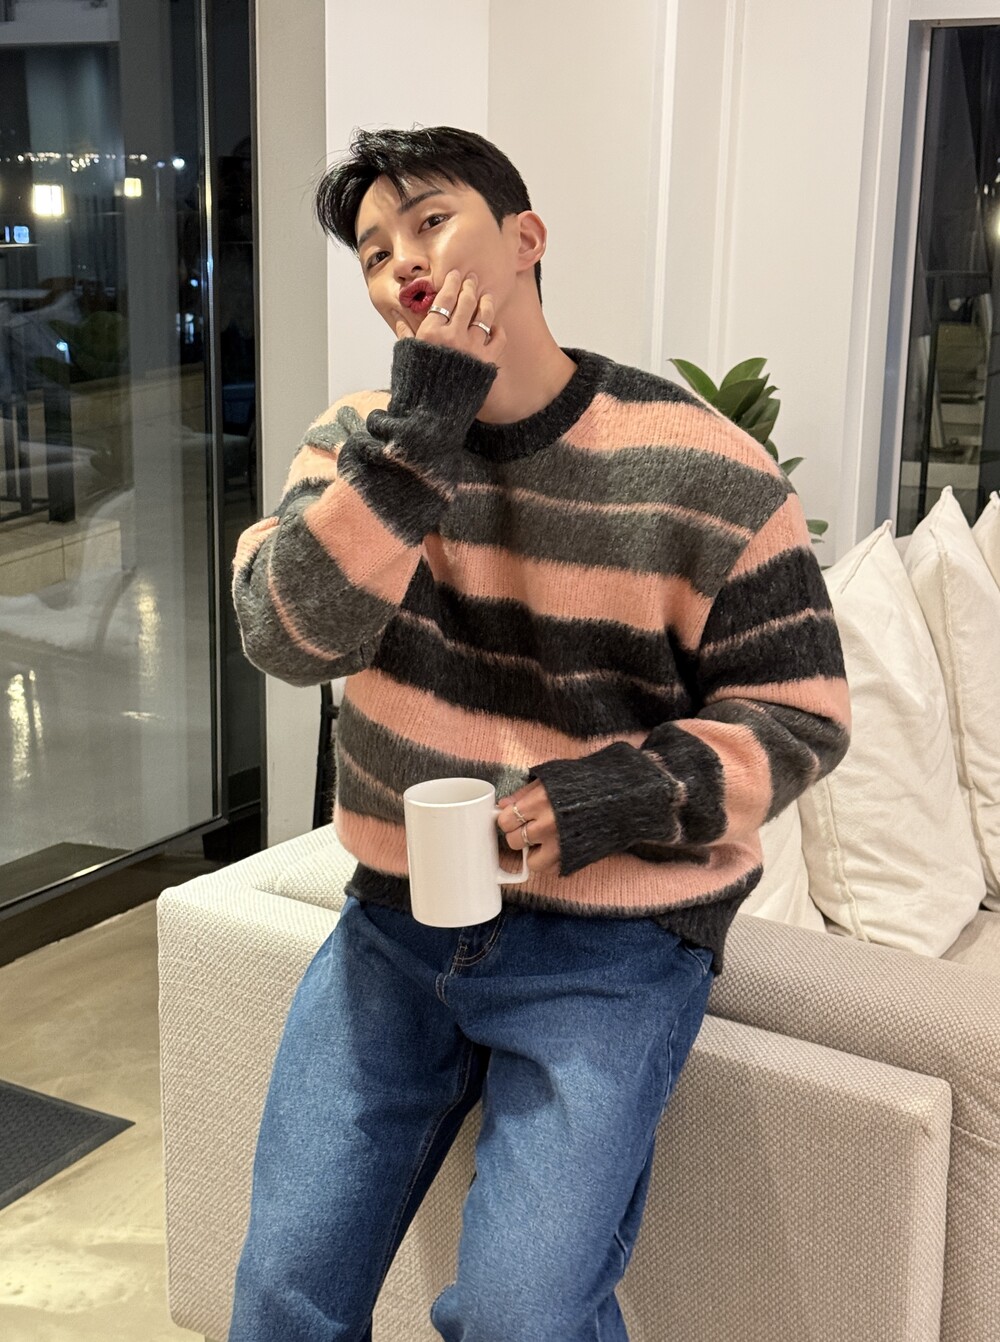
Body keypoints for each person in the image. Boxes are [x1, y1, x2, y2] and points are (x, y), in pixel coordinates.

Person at [228, 125, 851, 1342]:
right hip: (395, 926)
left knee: (521, 1315)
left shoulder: (702, 467)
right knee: (281, 1293)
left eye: (431, 221)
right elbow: (286, 637)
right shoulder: (359, 442)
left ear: (525, 239)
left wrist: (613, 797)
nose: (402, 262)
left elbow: (800, 716)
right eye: (373, 252)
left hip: (615, 945)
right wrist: (417, 441)